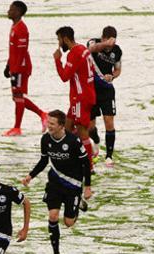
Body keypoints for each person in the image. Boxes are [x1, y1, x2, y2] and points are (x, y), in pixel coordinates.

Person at [22, 110, 92, 254]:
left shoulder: (73, 141)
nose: (49, 126)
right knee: (53, 216)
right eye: (48, 122)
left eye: (52, 123)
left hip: (73, 184)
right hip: (54, 183)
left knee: (68, 222)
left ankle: (78, 203)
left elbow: (85, 163)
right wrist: (30, 176)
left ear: (61, 126)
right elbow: (43, 160)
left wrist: (87, 186)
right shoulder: (45, 139)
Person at [54, 26, 97, 171]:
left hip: (81, 97)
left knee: (82, 132)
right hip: (83, 95)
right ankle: (74, 157)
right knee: (67, 127)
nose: (59, 44)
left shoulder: (74, 53)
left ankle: (88, 166)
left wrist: (57, 61)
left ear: (65, 39)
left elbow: (64, 77)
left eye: (59, 40)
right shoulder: (83, 49)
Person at [2, 1, 48, 137]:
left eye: (11, 9)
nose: (8, 11)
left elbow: (22, 53)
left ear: (17, 12)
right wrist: (8, 65)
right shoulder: (14, 26)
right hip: (15, 66)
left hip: (21, 67)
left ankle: (17, 128)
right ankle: (42, 114)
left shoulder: (21, 28)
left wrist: (15, 71)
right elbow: (13, 50)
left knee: (18, 96)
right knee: (16, 97)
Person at [87, 26, 122, 168]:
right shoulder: (93, 43)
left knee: (109, 121)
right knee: (90, 126)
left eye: (111, 43)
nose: (109, 47)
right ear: (102, 38)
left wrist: (112, 76)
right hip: (91, 89)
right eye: (106, 42)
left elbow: (118, 69)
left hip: (107, 91)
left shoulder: (117, 51)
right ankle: (96, 142)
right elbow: (91, 50)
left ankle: (108, 156)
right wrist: (105, 44)